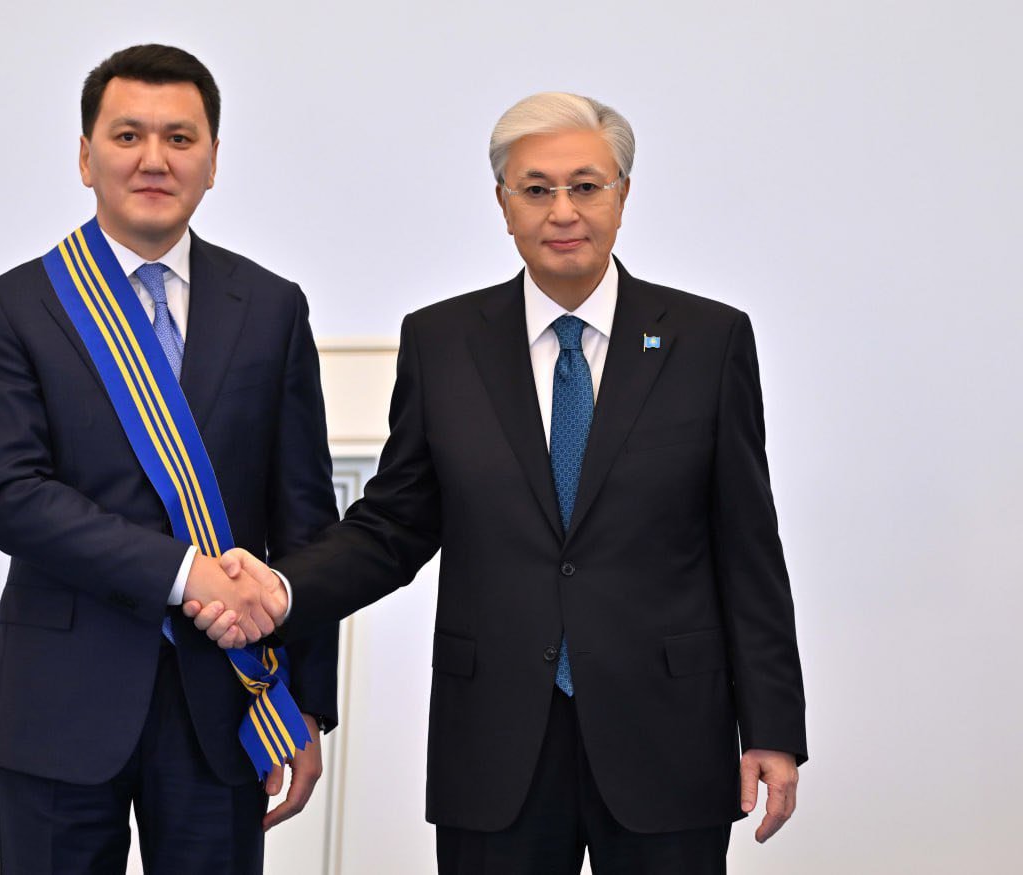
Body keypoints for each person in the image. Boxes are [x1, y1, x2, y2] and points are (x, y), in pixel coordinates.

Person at [192, 92, 807, 873]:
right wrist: (281, 589)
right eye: (537, 188)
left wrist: (772, 725)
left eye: (586, 186)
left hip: (668, 732)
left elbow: (747, 547)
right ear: (503, 203)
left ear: (622, 195)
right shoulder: (443, 340)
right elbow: (394, 525)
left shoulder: (709, 340)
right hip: (494, 741)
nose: (563, 210)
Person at [0, 44, 338, 874]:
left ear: (213, 160)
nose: (154, 159)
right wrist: (184, 572)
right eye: (128, 136)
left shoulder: (271, 307)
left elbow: (306, 515)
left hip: (228, 700)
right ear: (85, 156)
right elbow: (13, 496)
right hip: (61, 698)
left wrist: (309, 702)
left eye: (180, 138)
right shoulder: (13, 309)